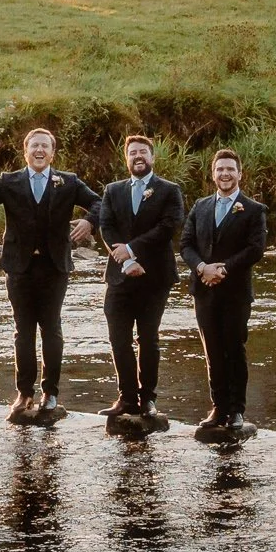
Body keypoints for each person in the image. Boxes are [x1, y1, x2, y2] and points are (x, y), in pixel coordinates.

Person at [0, 127, 99, 423]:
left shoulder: (68, 182)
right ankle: (24, 392)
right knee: (23, 331)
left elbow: (100, 203)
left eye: (45, 146)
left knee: (51, 329)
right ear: (25, 150)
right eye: (34, 145)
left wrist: (89, 221)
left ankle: (51, 393)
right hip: (18, 267)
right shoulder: (9, 182)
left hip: (54, 267)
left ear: (52, 152)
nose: (39, 151)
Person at [94, 133, 186, 423]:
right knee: (118, 339)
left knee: (148, 339)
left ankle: (148, 399)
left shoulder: (169, 190)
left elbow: (169, 226)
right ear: (126, 158)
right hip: (119, 276)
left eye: (143, 152)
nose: (138, 156)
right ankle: (126, 398)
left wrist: (133, 249)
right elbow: (106, 226)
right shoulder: (113, 189)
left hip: (155, 277)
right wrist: (126, 260)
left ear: (153, 157)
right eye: (133, 152)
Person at [179, 148, 267, 433]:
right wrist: (202, 268)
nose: (225, 174)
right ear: (213, 174)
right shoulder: (200, 206)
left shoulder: (253, 209)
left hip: (235, 292)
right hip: (203, 290)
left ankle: (237, 410)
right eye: (220, 170)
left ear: (240, 174)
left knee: (234, 348)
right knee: (212, 351)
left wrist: (224, 269)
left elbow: (255, 249)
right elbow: (186, 245)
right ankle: (218, 407)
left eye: (230, 169)